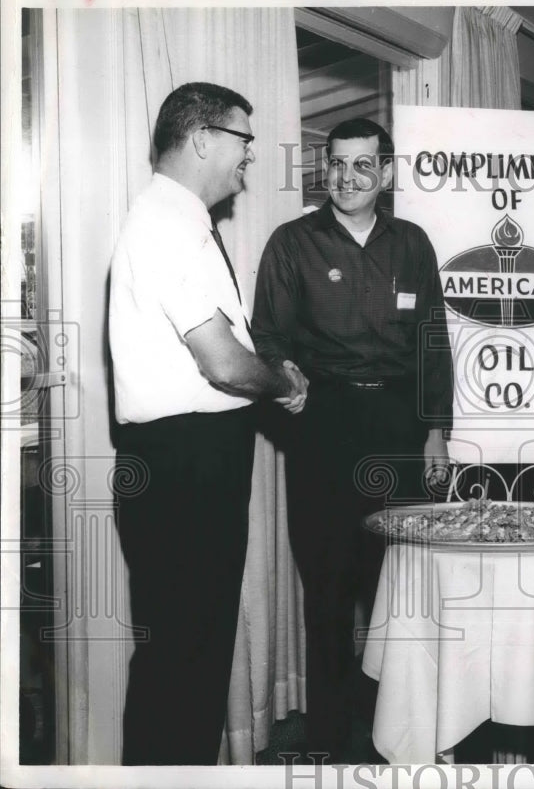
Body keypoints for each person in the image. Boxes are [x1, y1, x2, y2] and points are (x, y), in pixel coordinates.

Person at [109, 82, 307, 765]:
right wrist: (281, 384)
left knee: (186, 656)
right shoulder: (168, 224)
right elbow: (223, 361)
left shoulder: (178, 220)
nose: (248, 160)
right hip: (185, 465)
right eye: (243, 142)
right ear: (202, 139)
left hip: (190, 461)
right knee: (183, 660)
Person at [252, 117, 454, 760]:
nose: (346, 177)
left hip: (397, 426)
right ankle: (330, 743)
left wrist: (435, 434)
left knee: (399, 586)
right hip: (324, 427)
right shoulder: (292, 243)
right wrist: (283, 373)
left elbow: (432, 345)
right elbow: (270, 337)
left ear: (386, 173)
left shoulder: (413, 244)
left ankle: (405, 734)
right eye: (336, 164)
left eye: (363, 165)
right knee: (329, 587)